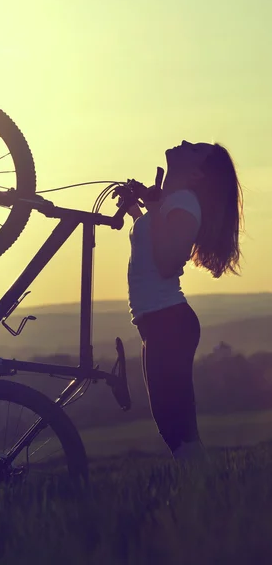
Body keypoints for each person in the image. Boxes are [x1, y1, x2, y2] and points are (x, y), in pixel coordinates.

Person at [126, 140, 245, 463]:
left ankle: (206, 491)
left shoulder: (184, 204)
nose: (184, 143)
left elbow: (167, 262)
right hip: (160, 321)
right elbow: (155, 247)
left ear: (195, 174)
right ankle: (204, 488)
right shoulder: (175, 202)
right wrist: (141, 209)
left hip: (168, 322)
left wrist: (153, 208)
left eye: (194, 149)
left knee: (175, 426)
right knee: (171, 424)